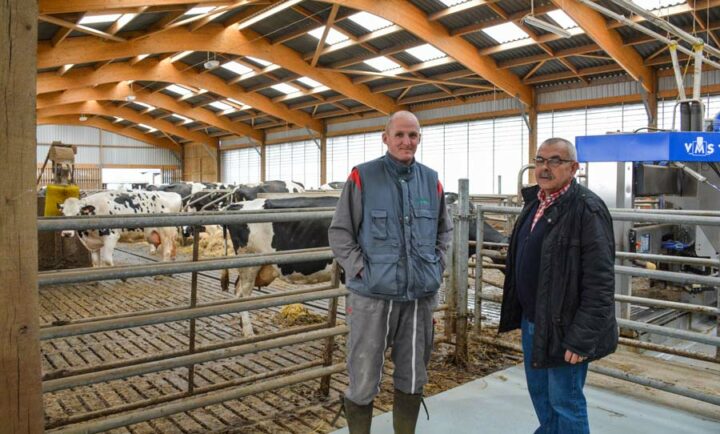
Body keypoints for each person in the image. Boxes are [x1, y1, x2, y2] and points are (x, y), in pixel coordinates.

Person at [329, 111, 453, 434]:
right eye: (399, 135)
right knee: (364, 376)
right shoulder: (362, 177)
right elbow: (340, 233)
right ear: (385, 138)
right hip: (372, 299)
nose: (406, 141)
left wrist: (435, 265)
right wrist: (360, 270)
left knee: (413, 375)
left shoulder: (431, 180)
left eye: (412, 135)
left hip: (417, 300)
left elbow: (445, 231)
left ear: (419, 139)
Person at [499, 137, 618, 434]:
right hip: (533, 322)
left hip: (566, 329)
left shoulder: (586, 209)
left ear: (573, 167)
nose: (545, 168)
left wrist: (581, 338)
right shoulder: (534, 203)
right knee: (541, 396)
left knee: (566, 402)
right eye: (540, 160)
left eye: (555, 161)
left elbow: (600, 281)